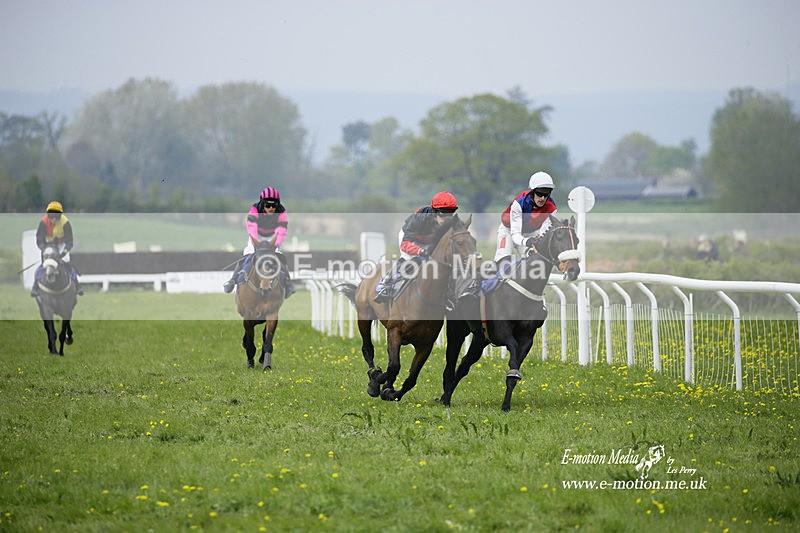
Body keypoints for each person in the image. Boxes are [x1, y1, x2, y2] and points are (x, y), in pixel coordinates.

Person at [374, 191, 459, 303]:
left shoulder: (450, 222)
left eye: (450, 214)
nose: (447, 219)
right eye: (443, 214)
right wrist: (420, 251)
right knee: (411, 259)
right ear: (435, 212)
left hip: (429, 240)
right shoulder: (420, 218)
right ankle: (386, 281)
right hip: (410, 238)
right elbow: (405, 245)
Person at [222, 187, 296, 298]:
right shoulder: (255, 209)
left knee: (279, 256)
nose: (271, 208)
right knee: (247, 253)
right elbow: (252, 227)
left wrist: (274, 244)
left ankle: (288, 283)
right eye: (267, 205)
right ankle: (232, 281)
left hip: (272, 237)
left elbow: (281, 231)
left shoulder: (282, 211)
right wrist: (256, 243)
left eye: (274, 205)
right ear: (262, 203)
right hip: (256, 235)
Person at [494, 171, 559, 264]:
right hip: (509, 231)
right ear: (532, 191)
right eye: (540, 194)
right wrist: (526, 241)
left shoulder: (552, 208)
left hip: (529, 234)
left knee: (534, 260)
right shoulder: (519, 203)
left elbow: (543, 233)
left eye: (546, 194)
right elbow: (515, 234)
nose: (543, 198)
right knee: (502, 261)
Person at [31, 201, 84, 297]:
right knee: (44, 265)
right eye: (52, 217)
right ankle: (35, 287)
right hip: (48, 245)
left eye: (56, 217)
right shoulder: (43, 222)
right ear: (48, 215)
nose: (54, 219)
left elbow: (69, 242)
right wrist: (44, 250)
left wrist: (62, 254)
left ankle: (77, 286)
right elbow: (39, 240)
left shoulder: (65, 222)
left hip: (61, 244)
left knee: (67, 264)